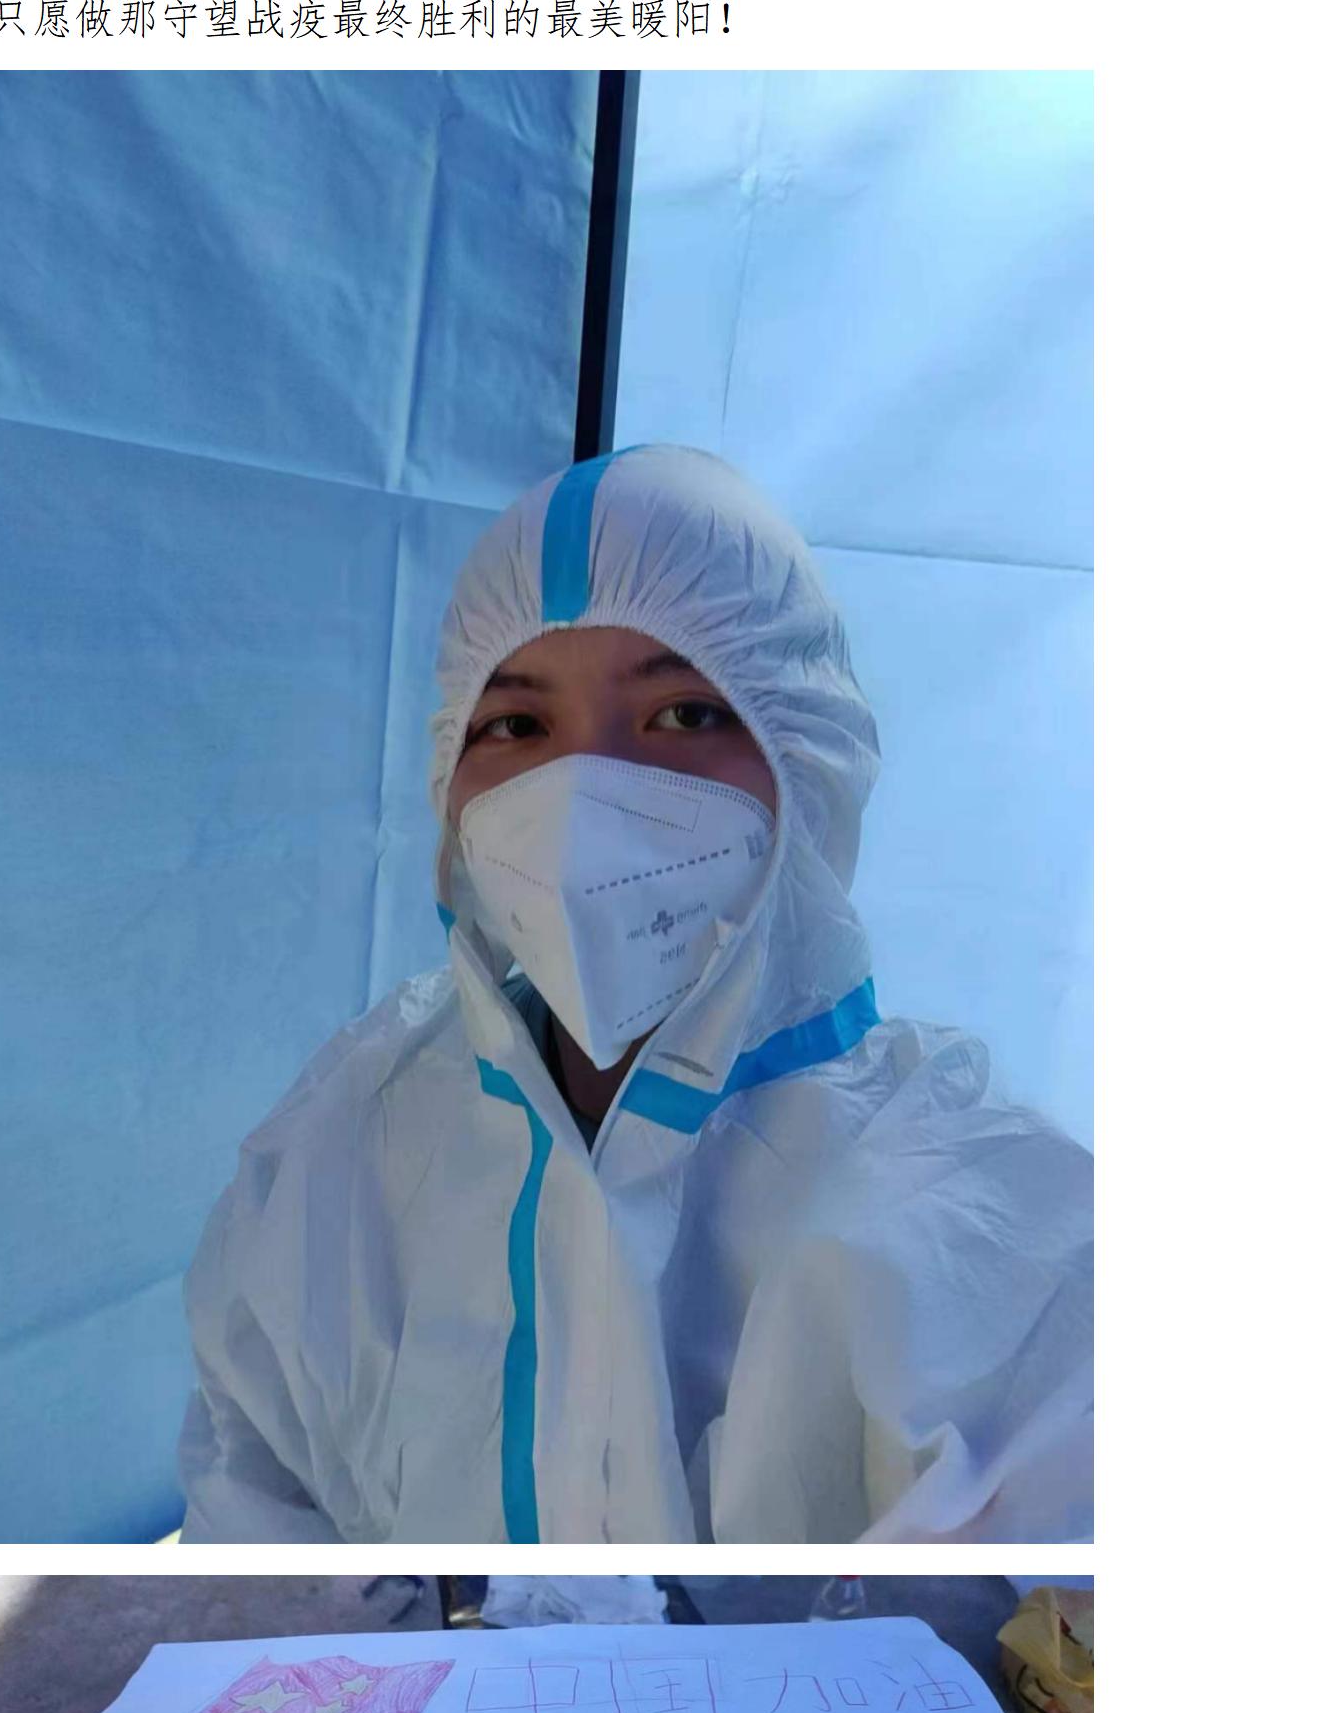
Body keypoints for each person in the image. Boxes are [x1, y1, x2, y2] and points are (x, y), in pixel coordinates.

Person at [180, 444, 1091, 1545]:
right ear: (449, 787)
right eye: (516, 726)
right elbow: (256, 1515)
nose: (582, 799)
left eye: (683, 715)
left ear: (810, 766)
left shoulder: (995, 1239)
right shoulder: (347, 1149)